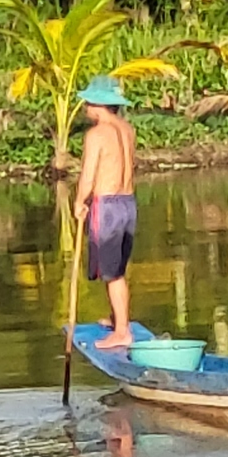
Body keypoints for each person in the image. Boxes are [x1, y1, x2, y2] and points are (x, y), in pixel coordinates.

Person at [72, 75, 137, 349]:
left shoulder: (96, 134)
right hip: (128, 203)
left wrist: (79, 201)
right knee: (117, 266)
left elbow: (89, 174)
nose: (85, 107)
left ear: (97, 104)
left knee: (112, 273)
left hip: (107, 205)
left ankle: (122, 331)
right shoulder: (128, 129)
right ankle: (116, 318)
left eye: (87, 102)